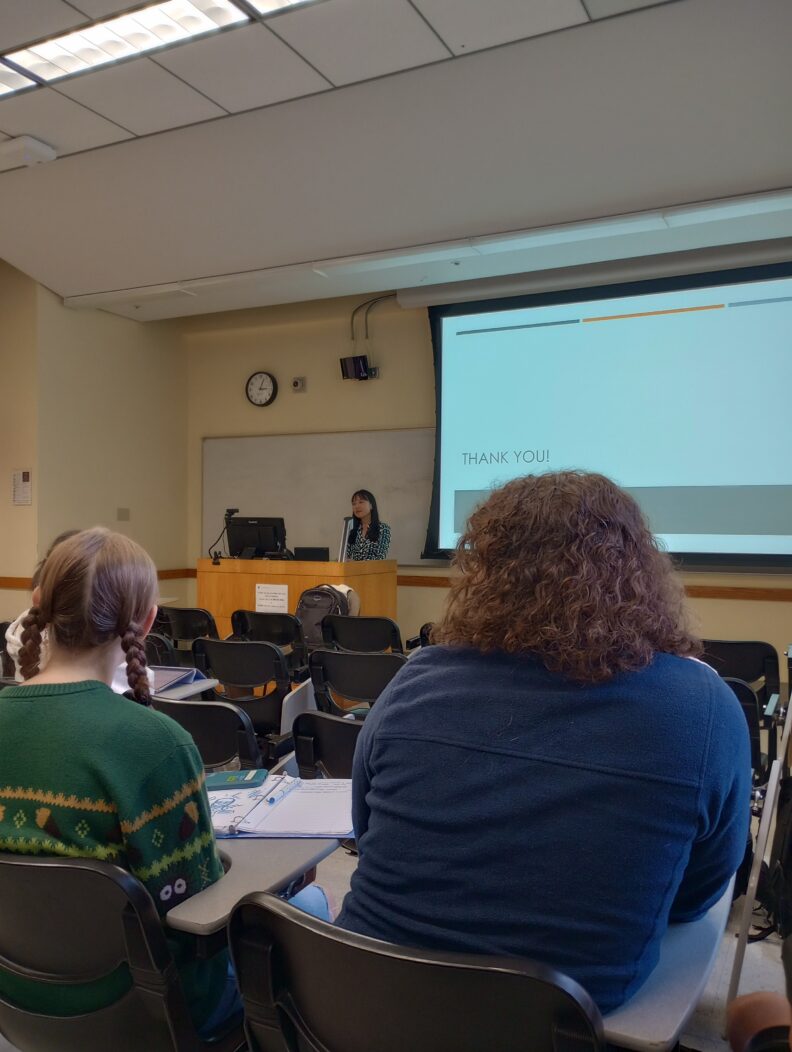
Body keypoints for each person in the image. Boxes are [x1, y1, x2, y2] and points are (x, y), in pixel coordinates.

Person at [336, 471, 751, 1014]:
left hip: (355, 1001)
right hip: (561, 1020)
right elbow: (697, 896)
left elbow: (367, 833)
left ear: (487, 572)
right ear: (639, 571)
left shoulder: (417, 676)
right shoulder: (705, 707)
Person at [0, 527, 330, 1034]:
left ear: (38, 603)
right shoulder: (157, 744)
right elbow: (198, 911)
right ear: (148, 620)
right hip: (153, 1010)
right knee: (314, 903)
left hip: (17, 997)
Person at [346, 489, 391, 560]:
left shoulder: (383, 528)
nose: (356, 506)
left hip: (372, 570)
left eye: (361, 502)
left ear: (371, 505)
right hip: (352, 570)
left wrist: (355, 564)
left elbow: (379, 558)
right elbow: (346, 556)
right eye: (354, 504)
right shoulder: (351, 529)